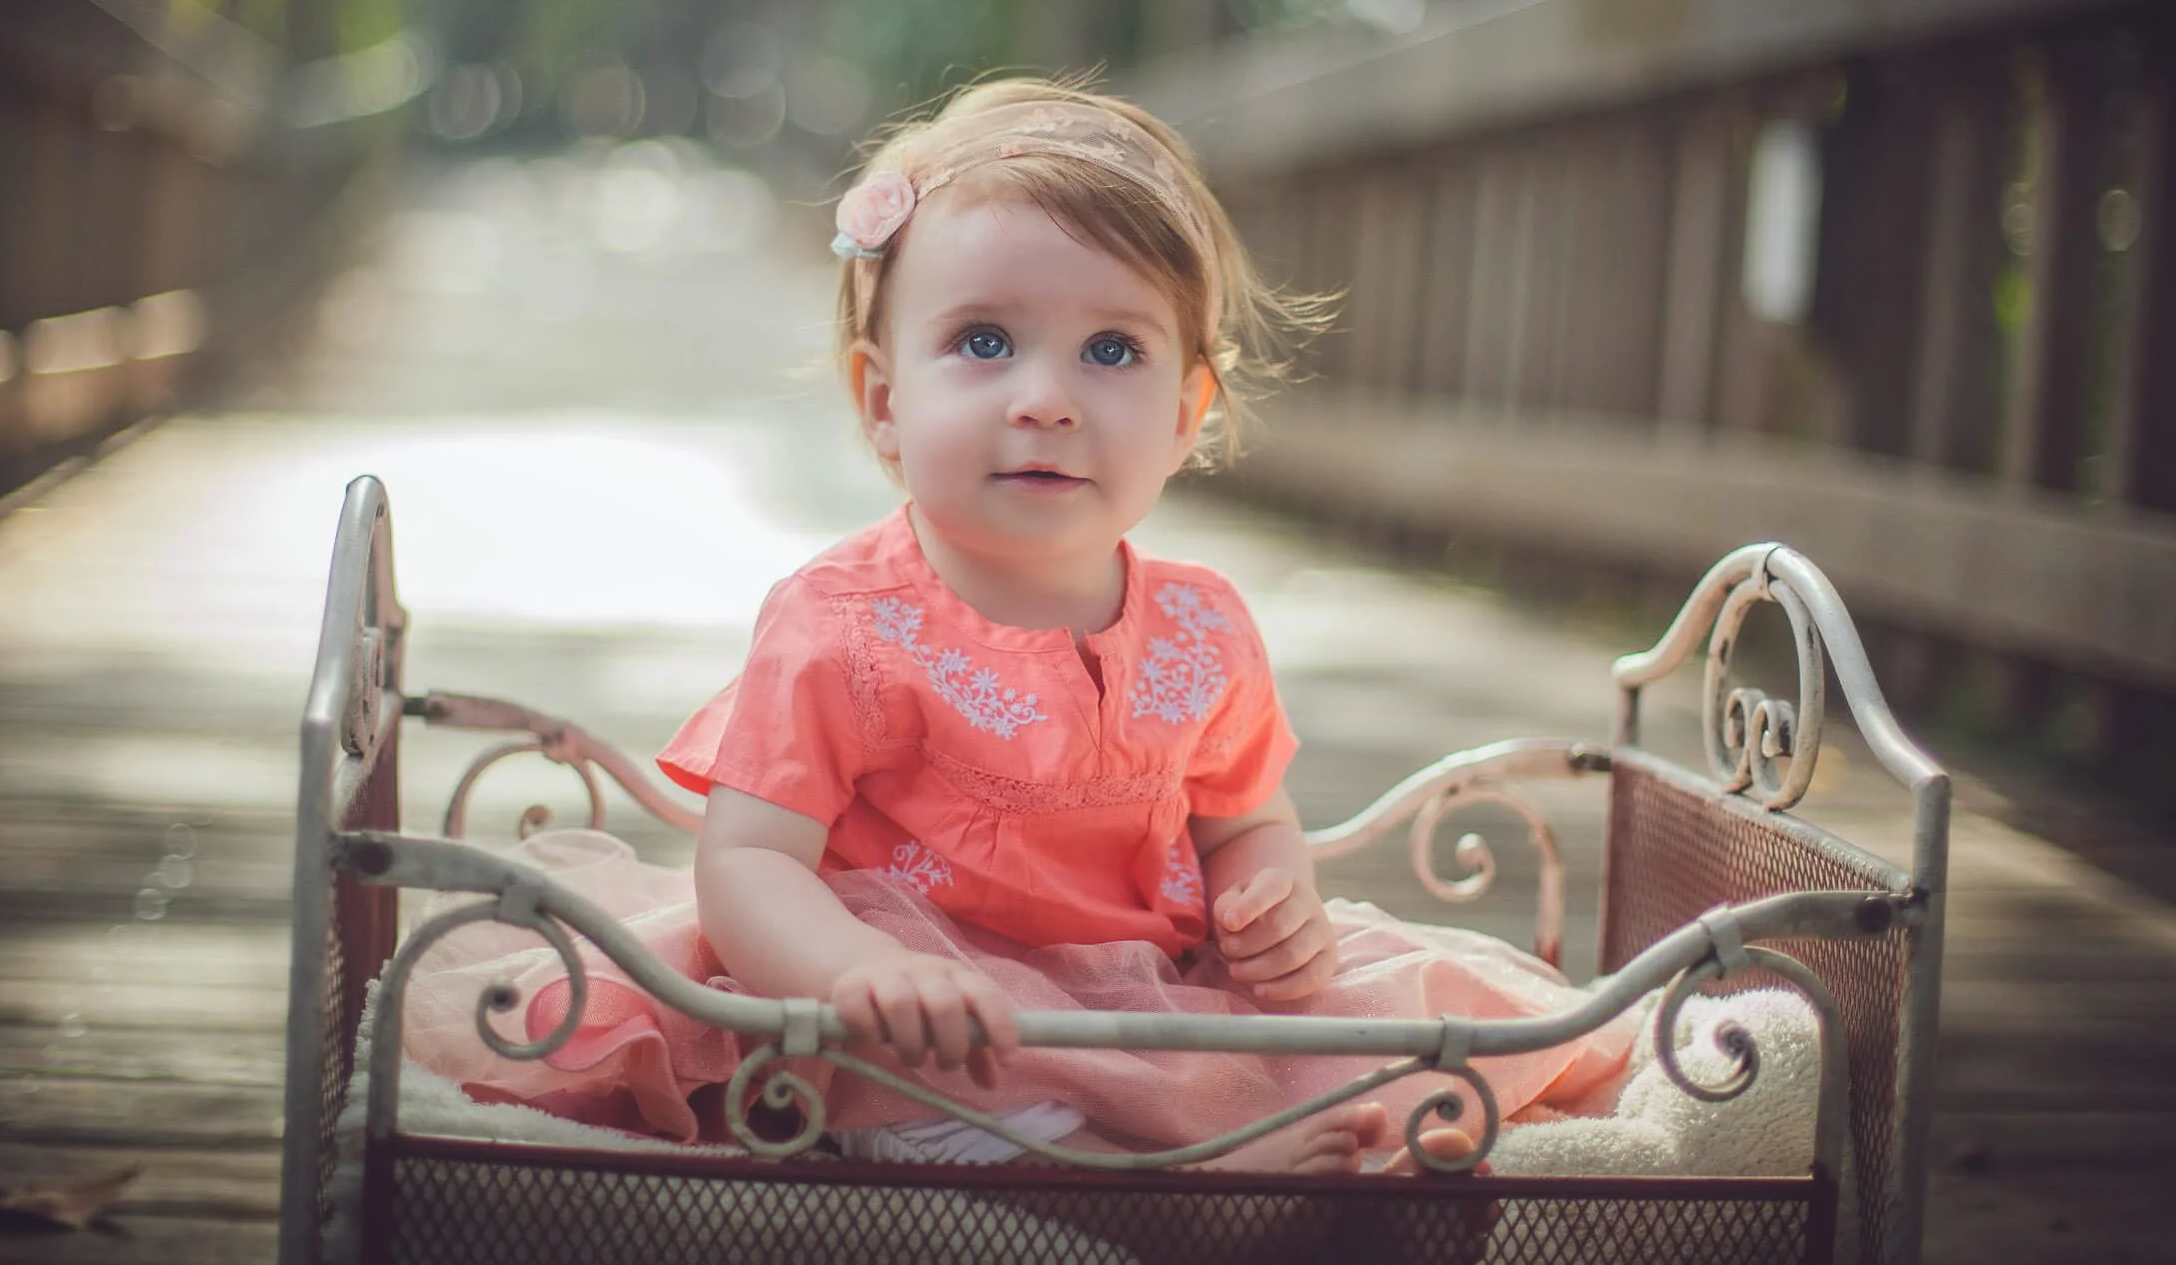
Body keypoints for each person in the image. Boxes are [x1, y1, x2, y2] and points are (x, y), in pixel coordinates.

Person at [401, 80, 1638, 1173]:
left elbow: (1243, 821)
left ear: (1186, 410)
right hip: (926, 995)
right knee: (926, 1072)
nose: (1044, 399)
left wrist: (1272, 903)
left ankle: (1221, 1147)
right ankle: (1147, 1185)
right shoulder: (844, 624)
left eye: (1112, 349)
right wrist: (855, 977)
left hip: (1148, 997)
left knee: (1381, 1034)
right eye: (982, 342)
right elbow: (748, 862)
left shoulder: (1203, 630)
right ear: (882, 400)